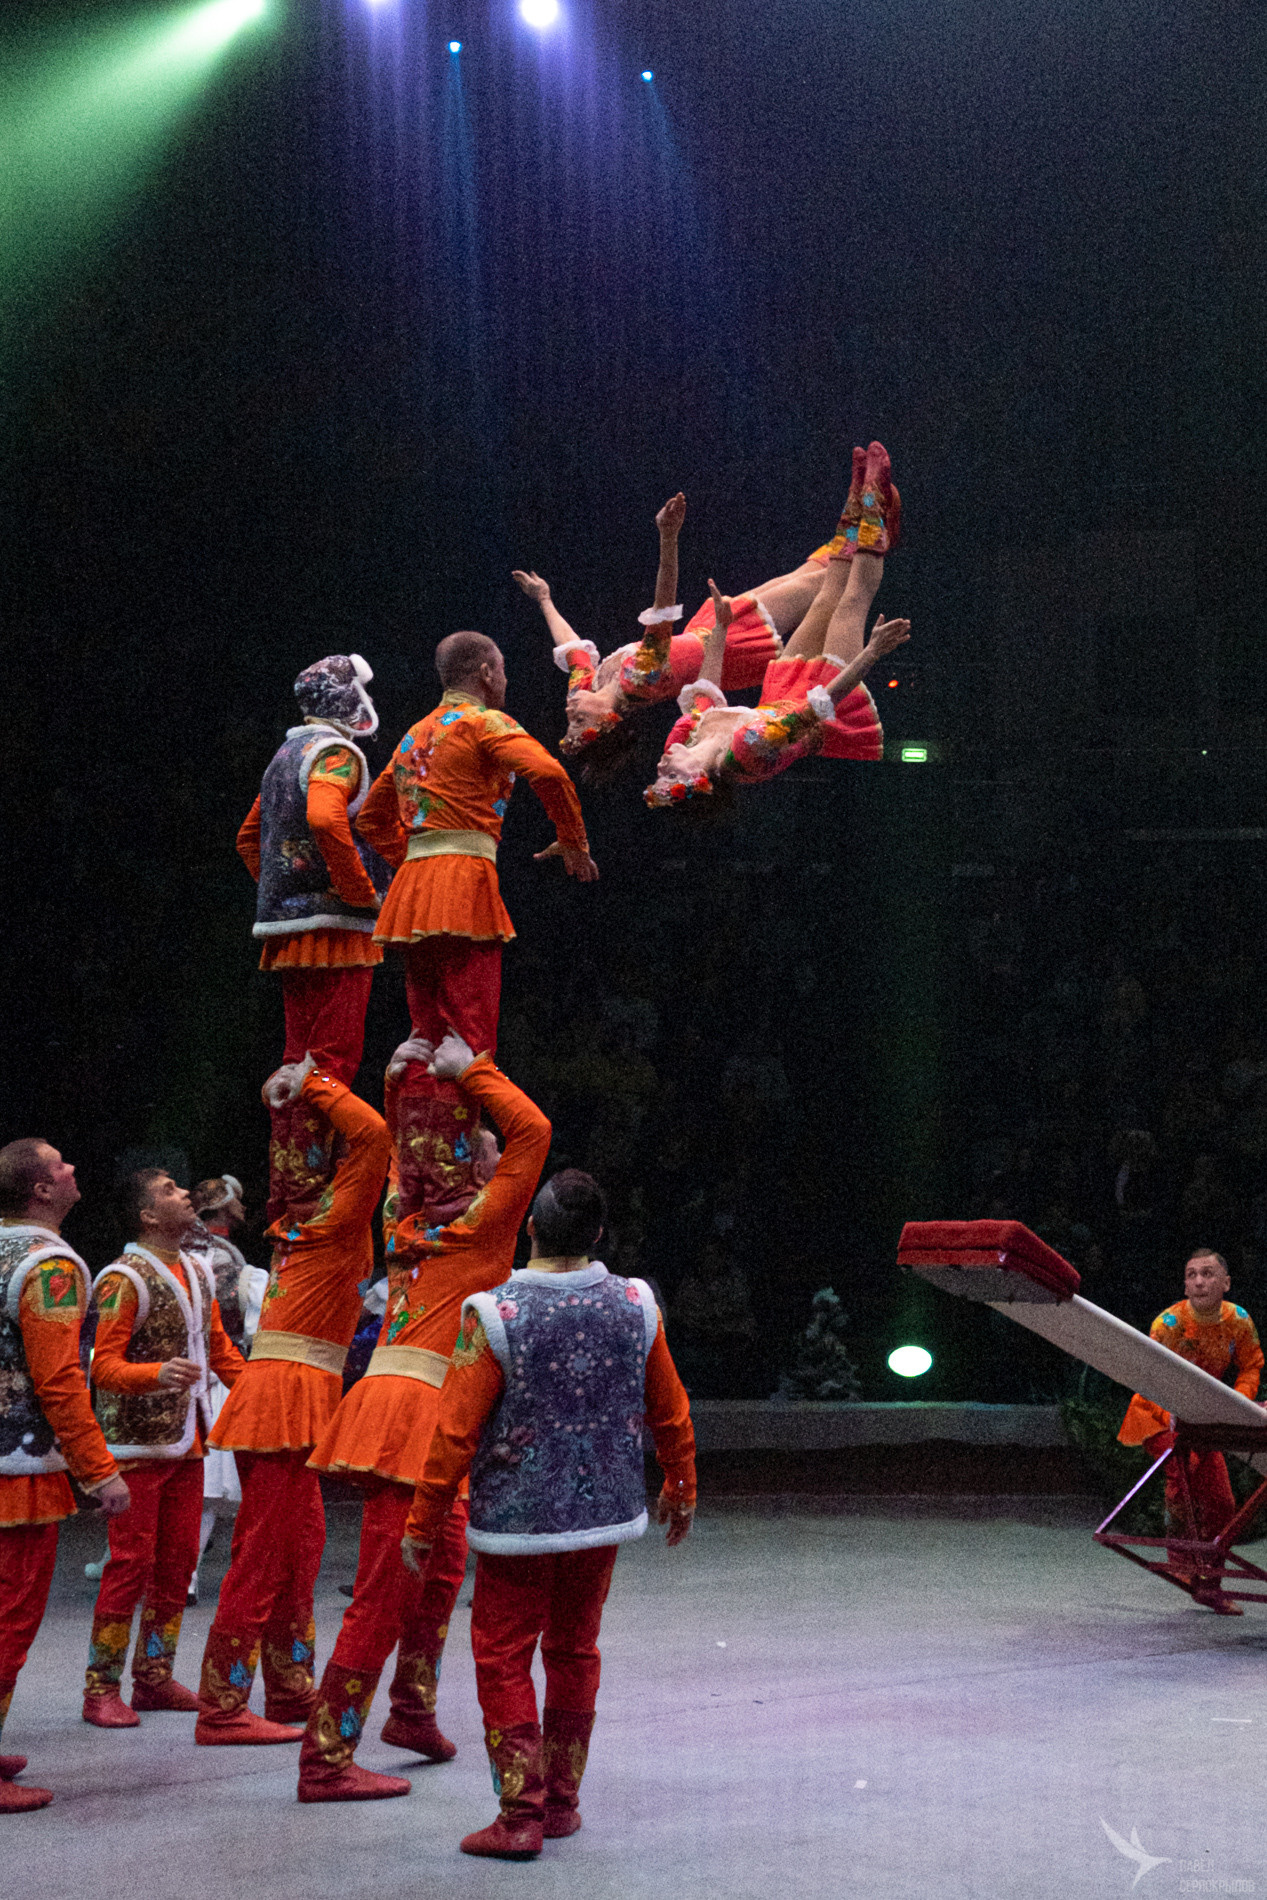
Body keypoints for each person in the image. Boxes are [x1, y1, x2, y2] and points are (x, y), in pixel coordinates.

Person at [402, 1169, 697, 1860]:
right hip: (605, 1511)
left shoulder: (492, 1313)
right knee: (574, 1649)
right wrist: (679, 1484)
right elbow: (670, 1405)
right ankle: (560, 1803)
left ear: (529, 1228)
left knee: (503, 1656)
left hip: (517, 1520)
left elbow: (453, 1433)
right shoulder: (635, 1303)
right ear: (597, 1234)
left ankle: (519, 1813)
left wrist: (423, 1520)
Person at [296, 1031, 553, 1802]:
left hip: (418, 1413)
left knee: (439, 1572)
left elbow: (400, 1160)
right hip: (415, 1418)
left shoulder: (402, 1223)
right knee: (383, 1590)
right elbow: (533, 1133)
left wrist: (392, 1083)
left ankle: (409, 1709)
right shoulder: (483, 1229)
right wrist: (469, 1071)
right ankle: (324, 1761)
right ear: (478, 1172)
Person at [354, 631, 596, 1221]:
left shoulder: (414, 734)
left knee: (425, 1041)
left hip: (415, 894)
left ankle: (418, 1186)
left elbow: (368, 817)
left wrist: (415, 862)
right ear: (487, 672)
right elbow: (553, 776)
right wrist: (573, 843)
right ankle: (455, 1193)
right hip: (463, 890)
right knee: (469, 1044)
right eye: (505, 669)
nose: (506, 680)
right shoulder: (483, 724)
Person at [194, 1060, 392, 1745]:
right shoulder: (333, 1219)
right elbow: (373, 1138)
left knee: (300, 1547)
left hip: (288, 1393)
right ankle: (221, 1707)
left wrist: (279, 1097)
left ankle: (287, 1687)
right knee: (261, 1554)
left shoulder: (291, 1223)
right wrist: (315, 1085)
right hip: (287, 1397)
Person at [514, 452, 895, 776]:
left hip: (715, 640)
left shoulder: (599, 691)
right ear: (609, 724)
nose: (569, 709)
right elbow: (663, 608)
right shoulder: (641, 679)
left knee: (812, 582)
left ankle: (866, 509)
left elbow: (572, 649)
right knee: (829, 592)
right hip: (738, 656)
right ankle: (874, 512)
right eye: (578, 721)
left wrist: (544, 600)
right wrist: (668, 537)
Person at [644, 444, 907, 806]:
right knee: (850, 602)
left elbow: (704, 690)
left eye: (659, 772)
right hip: (822, 707)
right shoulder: (746, 752)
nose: (661, 764)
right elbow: (820, 705)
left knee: (826, 595)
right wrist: (871, 653)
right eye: (669, 775)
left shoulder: (683, 740)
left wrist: (721, 628)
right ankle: (873, 503)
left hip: (781, 694)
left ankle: (856, 502)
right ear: (700, 780)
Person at [83, 1171, 247, 1725]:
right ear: (148, 1217)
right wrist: (156, 1373)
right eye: (171, 1190)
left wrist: (258, 1392)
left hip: (188, 1441)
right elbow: (101, 1367)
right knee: (130, 1565)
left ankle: (153, 1678)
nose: (185, 1196)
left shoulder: (198, 1269)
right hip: (134, 1446)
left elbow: (219, 1347)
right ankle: (100, 1688)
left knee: (177, 1566)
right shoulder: (121, 1278)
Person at [237, 654, 392, 1226]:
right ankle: (315, 1201)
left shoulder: (283, 757)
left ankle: (290, 1197)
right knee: (330, 1064)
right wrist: (357, 892)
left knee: (295, 1065)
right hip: (337, 931)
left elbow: (249, 838)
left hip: (291, 931)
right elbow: (327, 821)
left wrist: (285, 891)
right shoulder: (334, 753)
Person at [0, 1139, 131, 1812]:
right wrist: (97, 1469)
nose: (74, 1168)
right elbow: (58, 1380)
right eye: (60, 1164)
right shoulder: (49, 1264)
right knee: (9, 1618)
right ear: (41, 1191)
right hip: (14, 1467)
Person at [1118, 1249, 1265, 1609]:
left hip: (1202, 1416)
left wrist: (1238, 1404)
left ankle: (1212, 1585)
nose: (1199, 1281)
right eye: (1191, 1275)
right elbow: (1147, 1377)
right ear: (1185, 1285)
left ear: (1226, 1283)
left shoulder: (1240, 1321)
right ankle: (1181, 1564)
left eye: (1208, 1274)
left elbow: (1251, 1367)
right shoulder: (1167, 1325)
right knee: (1183, 1473)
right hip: (1157, 1414)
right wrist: (1167, 1408)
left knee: (1223, 1501)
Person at [186, 1177, 269, 1603]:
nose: (242, 1206)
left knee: (200, 1485)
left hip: (202, 1370)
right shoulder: (214, 1254)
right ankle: (186, 1577)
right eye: (235, 1200)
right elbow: (230, 1310)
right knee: (206, 1486)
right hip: (213, 1373)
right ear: (221, 1207)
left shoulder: (197, 1248)